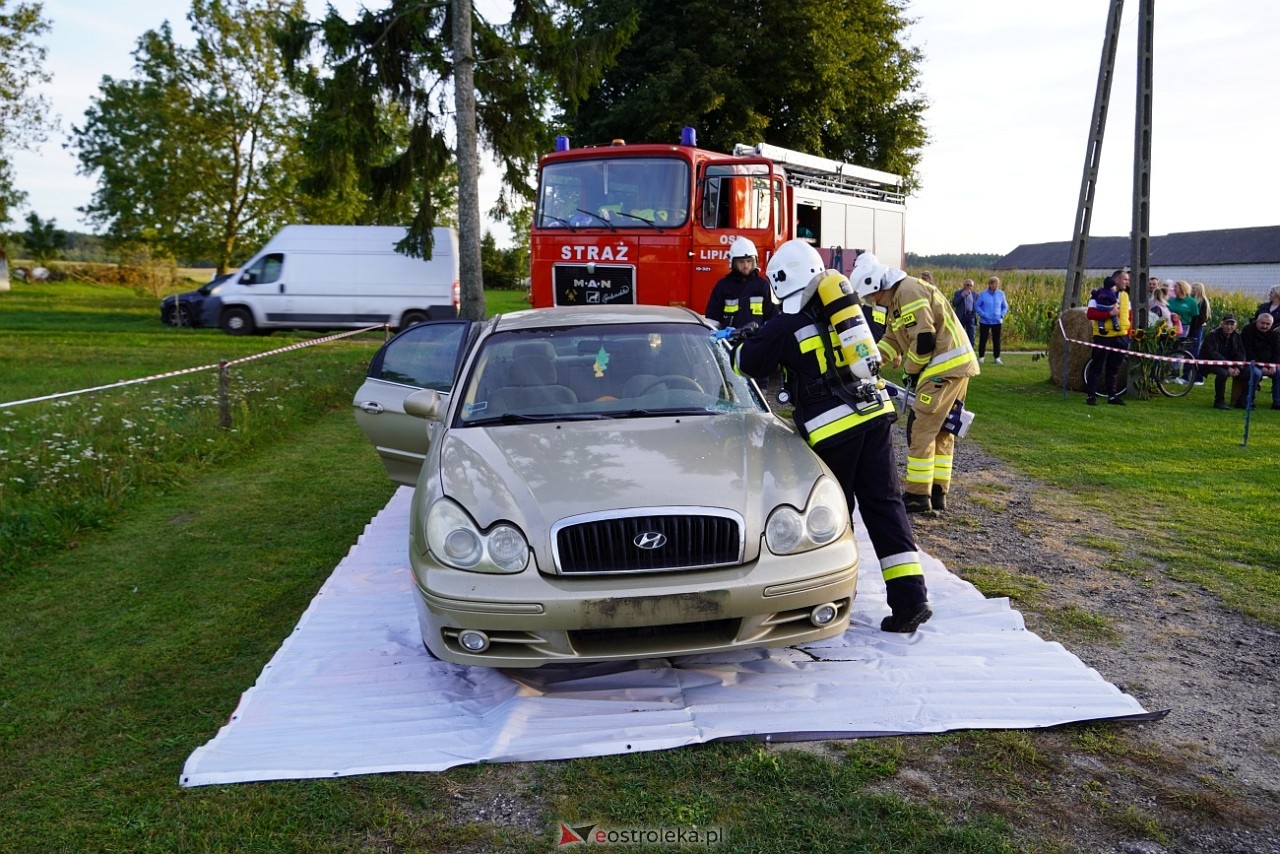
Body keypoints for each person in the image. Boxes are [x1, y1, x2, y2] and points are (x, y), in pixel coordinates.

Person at [733, 239, 932, 633]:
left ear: (781, 282)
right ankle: (911, 601)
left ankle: (836, 598)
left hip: (832, 432)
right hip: (874, 417)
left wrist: (744, 339)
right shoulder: (848, 315)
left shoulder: (785, 323)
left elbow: (747, 365)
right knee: (886, 506)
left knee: (833, 518)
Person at [851, 251, 980, 515]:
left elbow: (924, 339)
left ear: (876, 286)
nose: (869, 301)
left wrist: (911, 370)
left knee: (920, 428)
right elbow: (892, 340)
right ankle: (937, 491)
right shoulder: (898, 298)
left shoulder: (907, 292)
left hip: (943, 367)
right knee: (943, 430)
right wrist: (871, 363)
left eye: (868, 296)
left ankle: (917, 496)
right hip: (955, 365)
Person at [703, 237, 776, 330]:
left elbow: (772, 319)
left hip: (757, 342)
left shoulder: (763, 286)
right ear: (733, 262)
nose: (746, 266)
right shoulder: (723, 287)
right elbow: (712, 321)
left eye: (749, 261)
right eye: (741, 261)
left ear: (754, 261)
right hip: (729, 342)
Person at [1084, 270, 1131, 406]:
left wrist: (1128, 333)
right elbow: (1091, 314)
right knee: (1097, 367)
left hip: (1121, 336)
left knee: (1114, 368)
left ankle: (1112, 396)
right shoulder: (1098, 295)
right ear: (1116, 280)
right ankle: (1091, 396)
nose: (1127, 282)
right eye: (1125, 279)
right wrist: (1109, 314)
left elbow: (1129, 315)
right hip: (1103, 336)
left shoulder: (1125, 296)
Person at [1200, 314, 1256, 410]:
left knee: (1253, 373)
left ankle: (1243, 401)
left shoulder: (1237, 336)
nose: (1229, 327)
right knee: (1223, 373)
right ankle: (1219, 401)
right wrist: (1228, 367)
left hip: (1231, 365)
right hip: (1211, 363)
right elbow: (1212, 354)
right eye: (1227, 324)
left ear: (1236, 325)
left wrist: (1238, 367)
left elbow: (1241, 353)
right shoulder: (1212, 335)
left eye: (1232, 324)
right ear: (1221, 324)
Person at [1241, 312, 1280, 410]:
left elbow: (1277, 352)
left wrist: (1272, 365)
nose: (1265, 326)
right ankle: (1247, 401)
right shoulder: (1248, 331)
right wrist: (1260, 366)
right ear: (1257, 322)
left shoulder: (1274, 334)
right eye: (1262, 323)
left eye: (1268, 324)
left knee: (1279, 373)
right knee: (1256, 373)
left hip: (1268, 365)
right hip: (1250, 363)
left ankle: (1277, 402)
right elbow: (1247, 351)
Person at [974, 276, 1009, 364]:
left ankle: (997, 357)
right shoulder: (983, 294)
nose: (997, 285)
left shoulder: (1001, 294)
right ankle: (981, 357)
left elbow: (1005, 306)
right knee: (983, 339)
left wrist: (1002, 315)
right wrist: (983, 314)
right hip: (985, 321)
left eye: (998, 284)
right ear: (990, 284)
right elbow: (977, 305)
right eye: (995, 284)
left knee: (996, 340)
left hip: (997, 321)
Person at [951, 278, 978, 344]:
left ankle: (971, 350)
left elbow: (977, 306)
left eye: (970, 285)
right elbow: (954, 303)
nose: (969, 287)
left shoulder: (975, 294)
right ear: (964, 285)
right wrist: (962, 296)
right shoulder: (958, 293)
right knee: (959, 334)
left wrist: (975, 314)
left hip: (970, 316)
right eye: (967, 285)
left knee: (971, 335)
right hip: (961, 316)